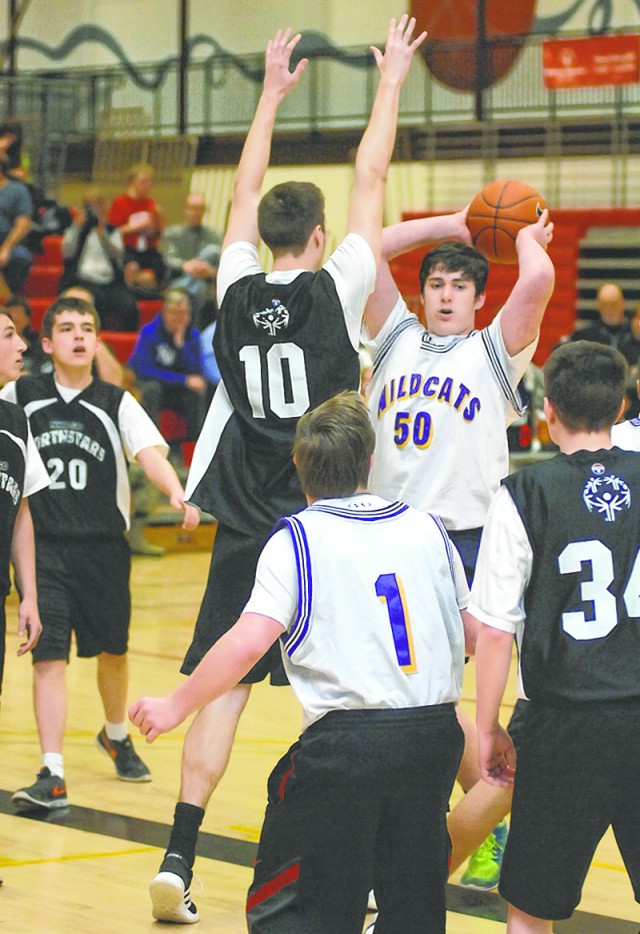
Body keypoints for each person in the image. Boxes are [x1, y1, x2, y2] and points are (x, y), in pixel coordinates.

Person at [147, 18, 427, 925]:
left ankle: (179, 856)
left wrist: (268, 94)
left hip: (244, 512)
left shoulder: (231, 285)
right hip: (327, 512)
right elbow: (373, 178)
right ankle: (377, 878)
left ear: (266, 233)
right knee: (355, 695)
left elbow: (240, 192)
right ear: (316, 232)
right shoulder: (334, 285)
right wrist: (388, 84)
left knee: (223, 687)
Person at [132, 390, 474, 933]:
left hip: (347, 747)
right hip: (433, 740)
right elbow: (474, 633)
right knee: (412, 907)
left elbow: (247, 642)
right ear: (369, 460)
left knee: (292, 911)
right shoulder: (428, 527)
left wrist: (175, 705)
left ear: (299, 468)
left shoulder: (296, 538)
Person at [362, 208, 554, 890]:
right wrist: (456, 221)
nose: (444, 294)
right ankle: (490, 820)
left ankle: (489, 821)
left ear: (478, 299)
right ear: (422, 295)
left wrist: (525, 236)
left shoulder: (495, 351)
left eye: (457, 286)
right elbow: (369, 248)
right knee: (420, 703)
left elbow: (536, 284)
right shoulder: (392, 337)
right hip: (392, 538)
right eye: (435, 284)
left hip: (470, 541)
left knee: (443, 701)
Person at [3, 296, 199, 810]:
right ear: (46, 343)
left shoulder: (115, 401)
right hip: (44, 550)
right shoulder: (20, 395)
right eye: (66, 328)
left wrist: (175, 490)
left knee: (113, 650)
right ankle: (53, 770)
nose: (79, 335)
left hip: (104, 549)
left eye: (87, 327)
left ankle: (116, 733)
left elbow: (150, 453)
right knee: (48, 656)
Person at [471, 340, 640, 933]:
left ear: (548, 412)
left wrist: (489, 726)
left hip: (562, 722)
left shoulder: (524, 493)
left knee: (531, 907)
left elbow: (494, 632)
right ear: (621, 407)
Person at [0, 308, 49, 887]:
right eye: (9, 335)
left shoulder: (16, 420)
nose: (21, 344)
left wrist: (28, 594)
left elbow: (22, 510)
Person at [128, 287, 208, 447]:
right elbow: (144, 370)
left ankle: (194, 447)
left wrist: (180, 346)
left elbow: (196, 372)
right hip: (151, 384)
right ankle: (152, 445)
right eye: (175, 313)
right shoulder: (149, 332)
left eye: (184, 313)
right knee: (152, 389)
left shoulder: (192, 336)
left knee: (197, 393)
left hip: (175, 388)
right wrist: (183, 379)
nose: (180, 318)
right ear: (164, 312)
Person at [59, 187, 140, 332]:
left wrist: (102, 234)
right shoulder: (76, 229)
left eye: (98, 206)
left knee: (129, 306)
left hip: (110, 282)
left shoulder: (112, 231)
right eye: (90, 206)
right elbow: (67, 252)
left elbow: (117, 255)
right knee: (95, 301)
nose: (95, 211)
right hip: (83, 280)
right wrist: (77, 227)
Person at [163, 192, 222, 321]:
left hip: (208, 284)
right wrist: (186, 266)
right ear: (185, 210)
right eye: (192, 208)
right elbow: (168, 261)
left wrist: (210, 272)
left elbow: (223, 268)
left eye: (200, 209)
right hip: (179, 281)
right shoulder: (172, 234)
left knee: (213, 251)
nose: (196, 213)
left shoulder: (215, 236)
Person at [108, 163, 166, 292]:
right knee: (131, 266)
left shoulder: (152, 205)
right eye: (143, 182)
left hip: (148, 249)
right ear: (132, 182)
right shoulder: (120, 203)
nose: (147, 186)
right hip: (127, 249)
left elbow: (159, 233)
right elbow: (113, 232)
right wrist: (136, 227)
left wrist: (159, 222)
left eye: (150, 182)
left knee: (162, 265)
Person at [570, 282, 636, 363]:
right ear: (598, 306)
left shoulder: (635, 332)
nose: (609, 310)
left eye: (613, 304)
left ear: (622, 303)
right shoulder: (585, 335)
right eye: (604, 305)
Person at [0, 156, 33, 296]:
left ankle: (10, 301)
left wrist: (6, 248)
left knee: (21, 256)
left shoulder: (17, 190)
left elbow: (23, 222)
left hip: (7, 241)